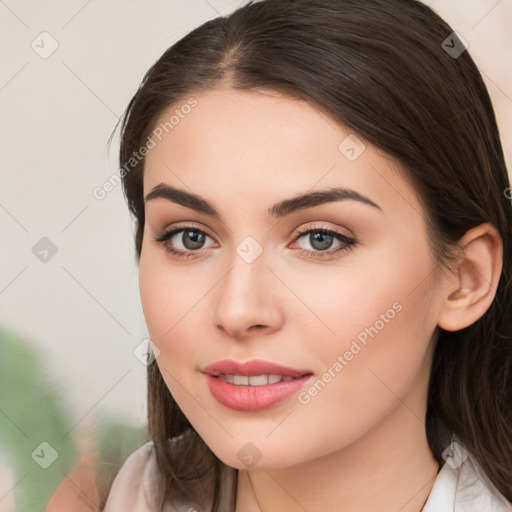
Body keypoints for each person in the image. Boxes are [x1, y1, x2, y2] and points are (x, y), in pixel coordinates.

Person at [47, 0, 512, 510]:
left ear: (466, 278)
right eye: (190, 237)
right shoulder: (111, 496)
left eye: (320, 238)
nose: (238, 310)